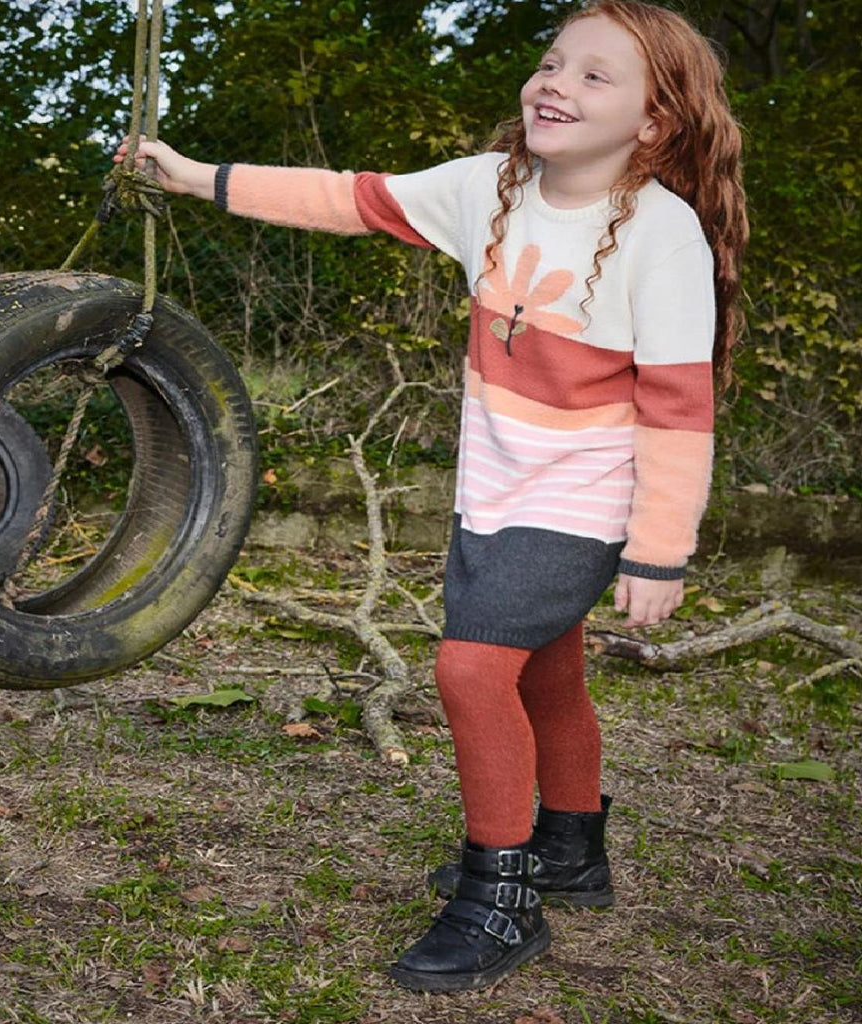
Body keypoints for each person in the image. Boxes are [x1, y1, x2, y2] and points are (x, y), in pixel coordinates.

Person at [115, 0, 747, 994]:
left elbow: (677, 407)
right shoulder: (486, 188)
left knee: (467, 671)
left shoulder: (661, 235)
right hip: (493, 489)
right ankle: (570, 850)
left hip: (585, 500)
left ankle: (501, 897)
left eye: (594, 76)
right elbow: (346, 197)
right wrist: (196, 177)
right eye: (551, 62)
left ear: (654, 122)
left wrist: (658, 548)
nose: (555, 83)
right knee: (544, 674)